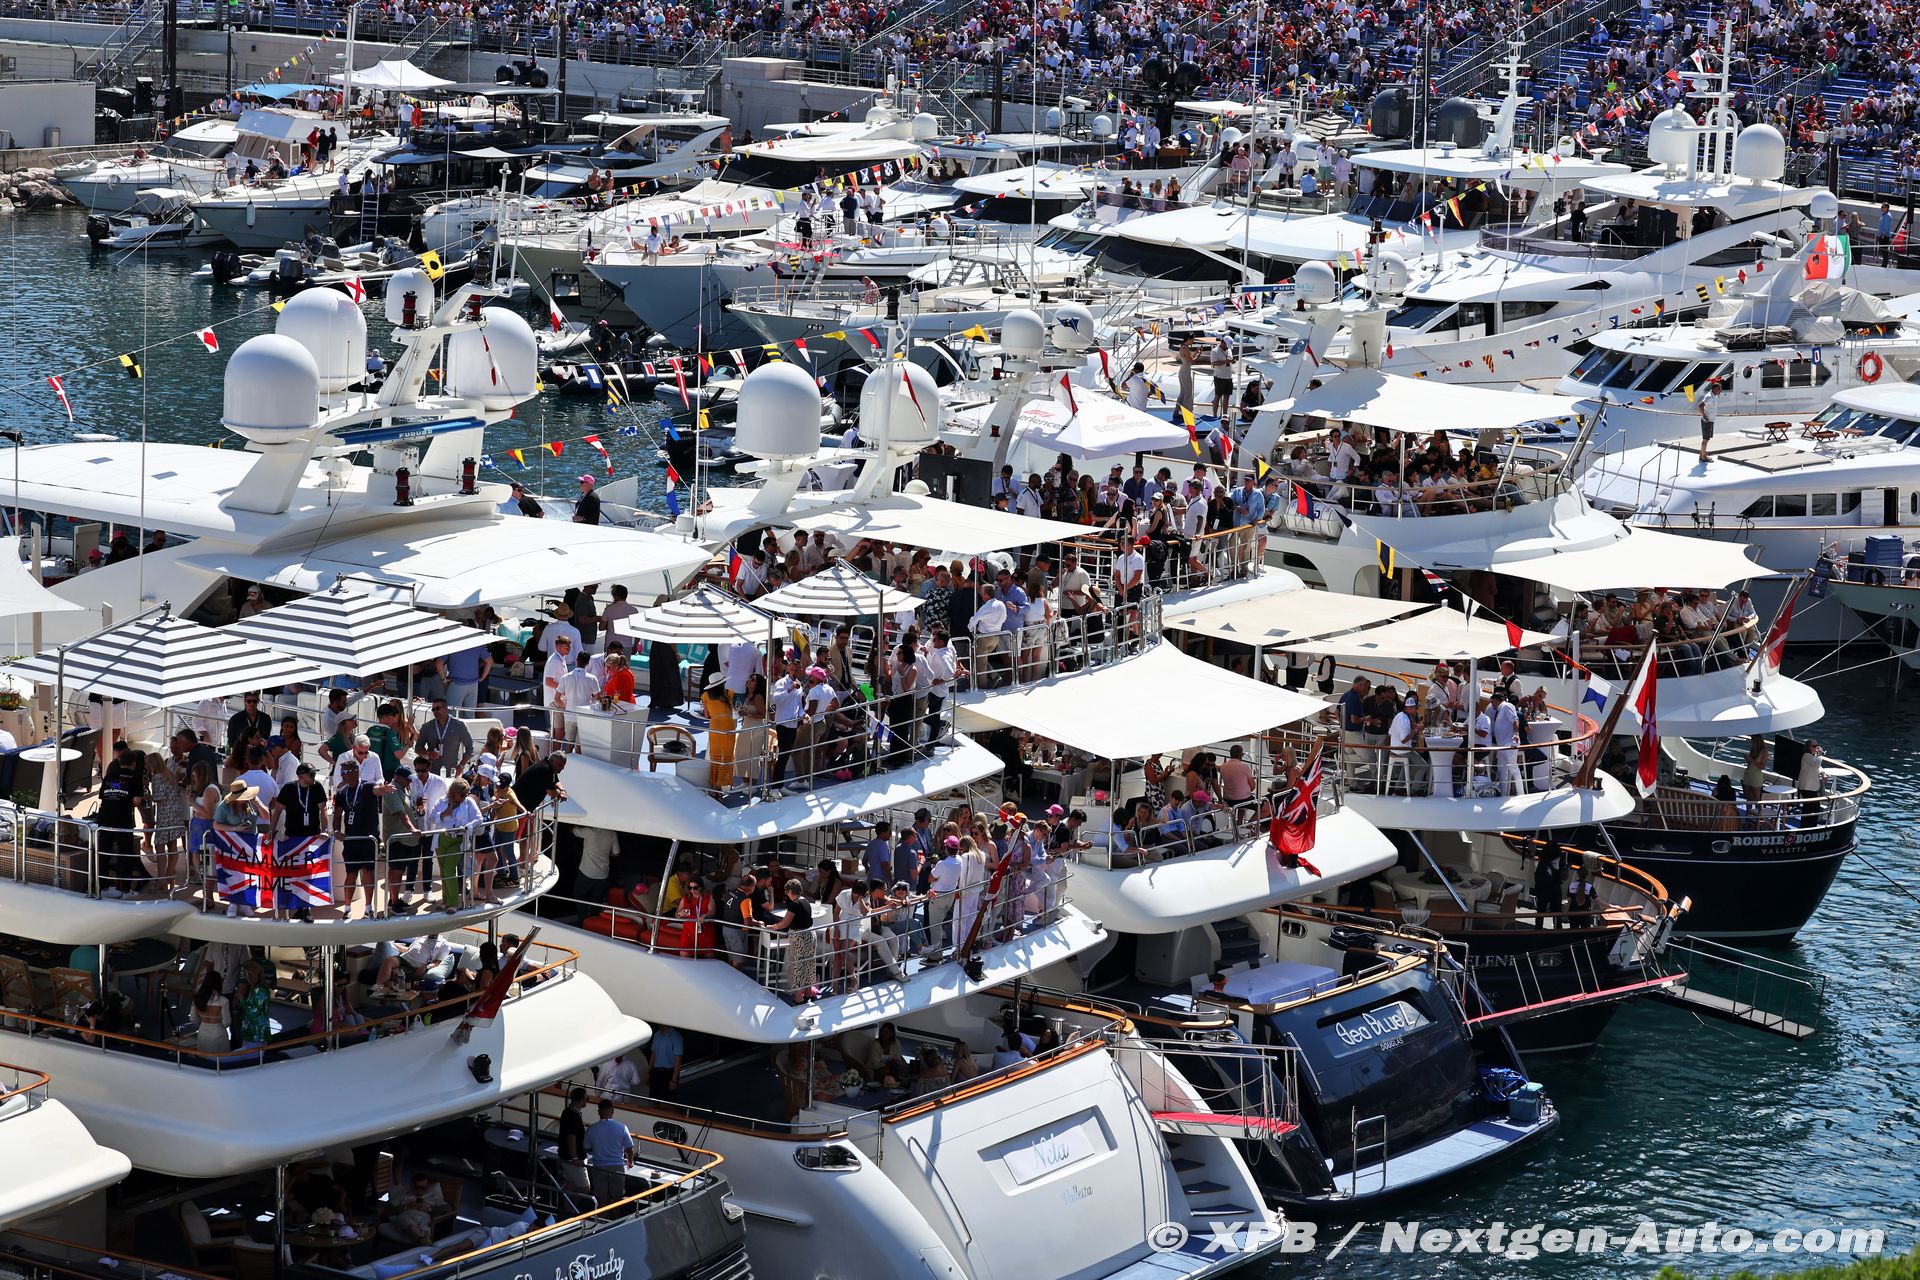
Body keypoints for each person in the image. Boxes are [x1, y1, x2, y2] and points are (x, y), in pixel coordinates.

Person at [332, 763, 381, 918]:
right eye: (342, 771)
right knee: (351, 874)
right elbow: (337, 815)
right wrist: (336, 831)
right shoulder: (342, 792)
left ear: (356, 771)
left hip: (368, 839)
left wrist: (384, 789)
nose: (343, 774)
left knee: (368, 872)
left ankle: (368, 907)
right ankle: (347, 909)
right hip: (351, 839)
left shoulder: (367, 786)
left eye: (346, 771)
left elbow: (377, 790)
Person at [583, 1100, 634, 1207]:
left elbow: (586, 1148)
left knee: (601, 1200)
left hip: (599, 1167)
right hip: (617, 1167)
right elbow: (630, 1149)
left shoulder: (592, 1129)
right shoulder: (622, 1127)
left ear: (598, 1112)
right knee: (617, 1200)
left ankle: (602, 1216)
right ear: (613, 1111)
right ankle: (616, 1216)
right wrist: (630, 1162)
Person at [702, 672, 736, 788]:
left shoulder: (705, 696)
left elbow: (706, 715)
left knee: (715, 755)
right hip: (729, 725)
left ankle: (716, 784)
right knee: (727, 755)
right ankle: (723, 781)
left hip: (716, 725)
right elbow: (734, 709)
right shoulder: (729, 693)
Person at [556, 1087, 592, 1196]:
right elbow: (571, 1138)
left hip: (567, 1155)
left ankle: (569, 1205)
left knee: (571, 1185)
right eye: (586, 1098)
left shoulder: (570, 1112)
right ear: (581, 1100)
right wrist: (575, 1158)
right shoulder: (572, 1115)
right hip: (573, 1158)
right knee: (585, 1188)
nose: (587, 1101)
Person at [192, 968, 231, 1053]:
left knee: (203, 1058)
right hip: (219, 1036)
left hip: (202, 1034)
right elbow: (226, 1023)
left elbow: (193, 1018)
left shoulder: (197, 999)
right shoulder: (223, 1001)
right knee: (220, 1059)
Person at [648, 1024, 684, 1097]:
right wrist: (648, 1072)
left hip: (669, 1073)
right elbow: (653, 1054)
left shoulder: (676, 1037)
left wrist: (674, 1080)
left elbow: (678, 1060)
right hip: (656, 1072)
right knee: (654, 1098)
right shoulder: (657, 1034)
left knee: (667, 1100)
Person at [1697, 379, 1718, 463]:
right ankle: (1704, 457)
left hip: (1710, 420)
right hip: (1707, 421)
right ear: (1715, 389)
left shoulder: (1713, 396)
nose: (1720, 391)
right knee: (1706, 439)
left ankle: (1701, 455)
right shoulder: (1709, 397)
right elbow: (1700, 406)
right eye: (1719, 389)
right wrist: (1704, 416)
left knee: (1706, 439)